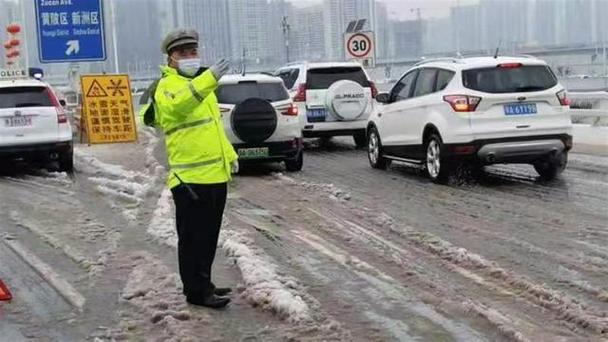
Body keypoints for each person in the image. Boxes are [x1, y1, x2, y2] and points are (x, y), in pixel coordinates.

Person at [141, 28, 239, 309]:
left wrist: (229, 154)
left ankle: (203, 283)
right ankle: (195, 292)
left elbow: (212, 129)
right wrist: (209, 78)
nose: (189, 57)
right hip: (189, 179)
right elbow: (180, 107)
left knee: (208, 238)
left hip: (214, 175)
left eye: (193, 51)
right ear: (170, 58)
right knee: (193, 239)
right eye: (182, 53)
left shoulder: (201, 86)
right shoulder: (167, 86)